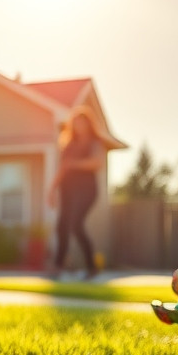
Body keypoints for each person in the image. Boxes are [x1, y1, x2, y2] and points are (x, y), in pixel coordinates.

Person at [47, 106, 112, 280]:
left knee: (76, 224)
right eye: (76, 123)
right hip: (67, 189)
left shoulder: (95, 143)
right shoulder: (68, 145)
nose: (79, 126)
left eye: (82, 123)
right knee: (62, 226)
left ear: (89, 124)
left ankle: (91, 267)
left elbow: (96, 163)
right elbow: (62, 168)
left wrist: (74, 164)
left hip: (86, 190)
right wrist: (52, 190)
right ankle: (58, 265)